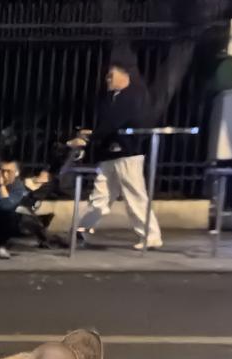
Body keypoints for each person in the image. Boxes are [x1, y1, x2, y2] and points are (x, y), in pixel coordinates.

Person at [68, 61, 162, 250]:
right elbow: (109, 124)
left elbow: (113, 123)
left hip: (127, 153)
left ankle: (151, 236)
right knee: (100, 195)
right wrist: (94, 135)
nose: (107, 79)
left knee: (135, 195)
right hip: (111, 153)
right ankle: (80, 230)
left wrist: (91, 137)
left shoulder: (131, 97)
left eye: (111, 75)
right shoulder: (115, 97)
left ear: (124, 76)